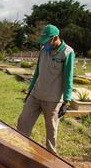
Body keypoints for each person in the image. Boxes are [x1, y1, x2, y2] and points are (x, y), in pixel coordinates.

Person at [16, 24, 75, 153]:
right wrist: (30, 90)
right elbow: (37, 72)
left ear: (55, 38)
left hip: (53, 100)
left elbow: (68, 78)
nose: (45, 45)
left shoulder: (67, 52)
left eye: (47, 41)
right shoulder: (43, 50)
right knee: (22, 123)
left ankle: (51, 158)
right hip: (35, 95)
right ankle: (20, 150)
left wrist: (66, 100)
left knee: (51, 131)